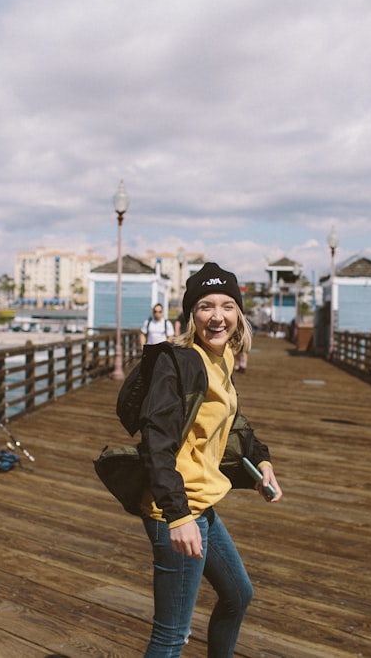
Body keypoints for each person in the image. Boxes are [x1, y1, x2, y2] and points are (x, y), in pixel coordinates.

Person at [138, 262, 282, 656]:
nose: (217, 316)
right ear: (191, 315)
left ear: (238, 312)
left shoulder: (222, 358)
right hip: (179, 510)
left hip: (203, 506)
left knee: (238, 595)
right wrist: (178, 516)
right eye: (205, 306)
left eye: (227, 305)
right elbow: (156, 442)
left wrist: (261, 462)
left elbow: (233, 421)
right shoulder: (180, 362)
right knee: (170, 636)